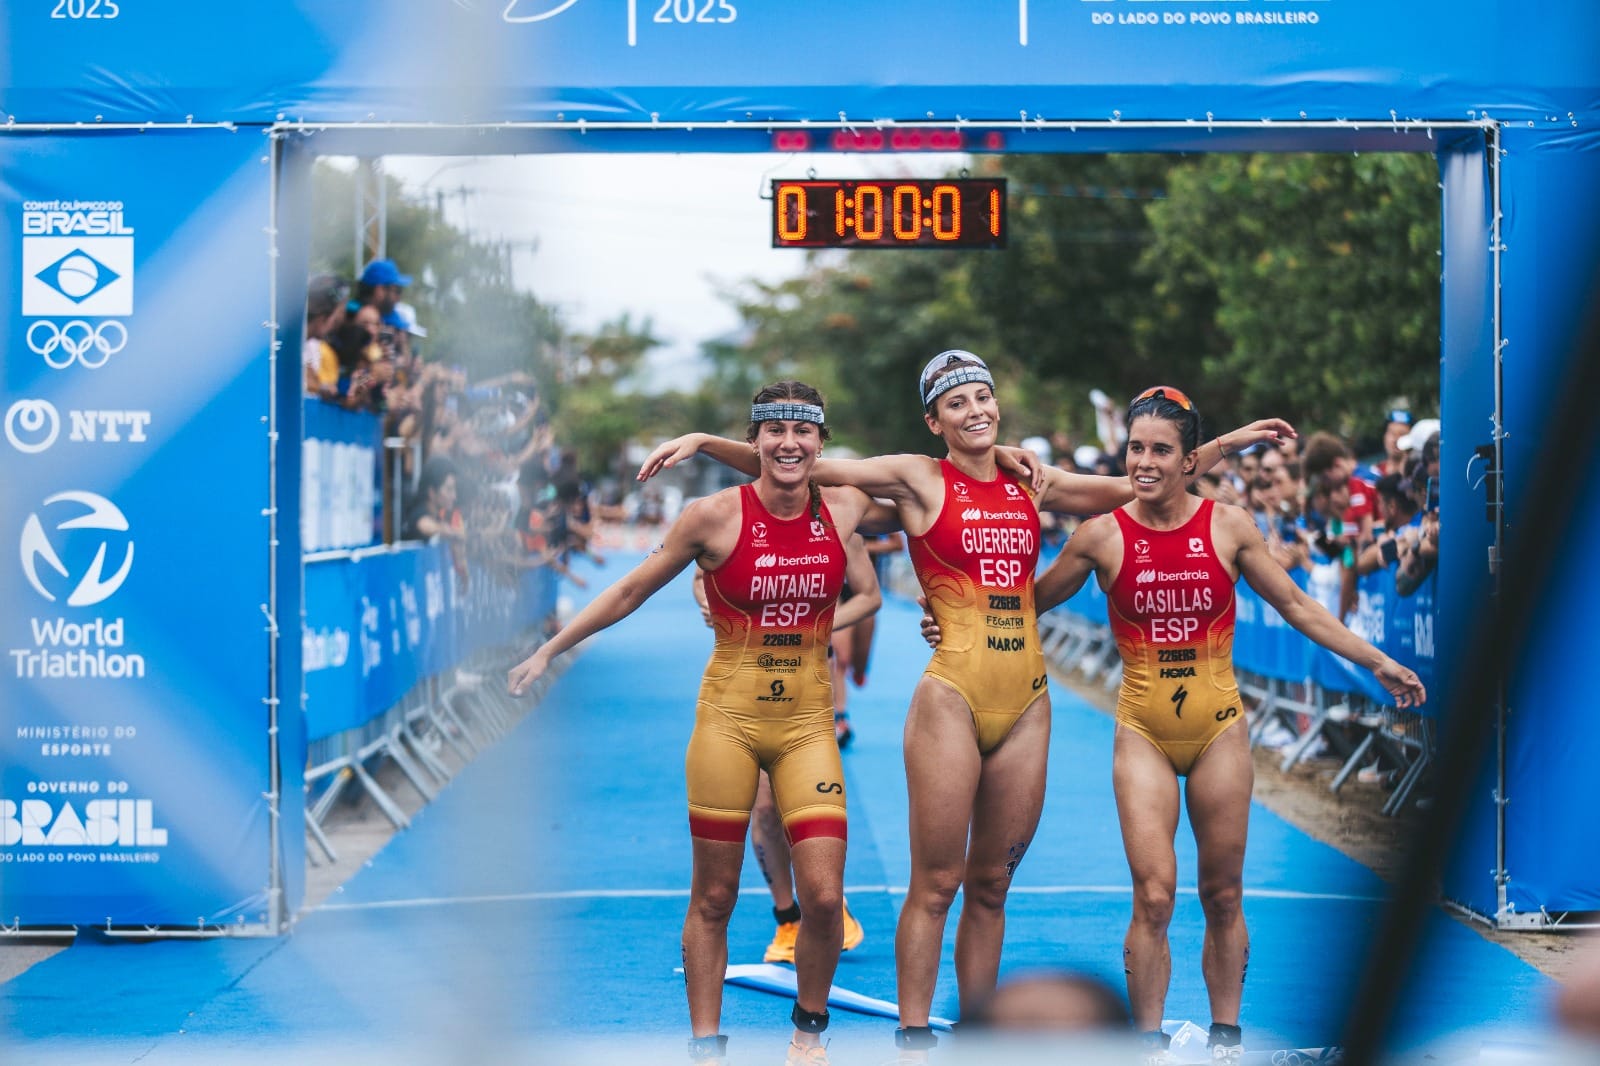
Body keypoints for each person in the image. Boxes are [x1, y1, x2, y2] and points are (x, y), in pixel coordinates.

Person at [638, 351, 1291, 1059]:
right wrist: (705, 442)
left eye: (982, 396)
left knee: (990, 887)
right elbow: (799, 465)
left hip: (1027, 701)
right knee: (936, 883)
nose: (975, 409)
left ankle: (980, 1041)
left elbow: (1147, 480)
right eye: (956, 402)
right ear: (934, 420)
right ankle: (914, 1038)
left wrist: (1226, 444)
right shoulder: (917, 477)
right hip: (951, 695)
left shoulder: (1032, 480)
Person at [1023, 385, 1427, 1063]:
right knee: (1154, 894)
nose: (1144, 462)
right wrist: (956, 620)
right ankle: (1146, 1047)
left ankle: (1225, 1043)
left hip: (1219, 730)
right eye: (1136, 448)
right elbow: (1023, 604)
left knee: (1222, 892)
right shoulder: (1101, 534)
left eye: (1160, 450)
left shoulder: (1229, 526)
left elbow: (1298, 605)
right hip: (1143, 730)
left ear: (1190, 462)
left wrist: (1378, 662)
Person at [509, 382, 884, 1066]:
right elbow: (630, 589)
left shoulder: (847, 506)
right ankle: (705, 1048)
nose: (789, 444)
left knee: (826, 898)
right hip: (728, 722)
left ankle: (808, 1035)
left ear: (821, 442)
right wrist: (549, 650)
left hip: (806, 725)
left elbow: (933, 491)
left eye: (804, 432)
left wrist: (1003, 457)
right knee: (713, 895)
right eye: (774, 432)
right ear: (755, 440)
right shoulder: (711, 517)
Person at [692, 567, 868, 966]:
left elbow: (868, 593)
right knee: (766, 809)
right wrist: (709, 603)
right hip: (746, 686)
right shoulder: (727, 529)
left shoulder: (836, 526)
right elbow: (700, 574)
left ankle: (826, 897)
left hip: (806, 681)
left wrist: (818, 626)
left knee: (799, 804)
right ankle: (788, 917)